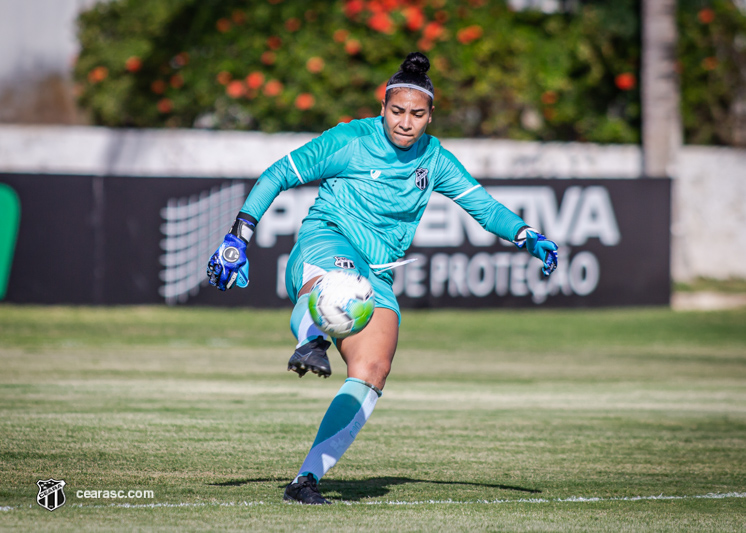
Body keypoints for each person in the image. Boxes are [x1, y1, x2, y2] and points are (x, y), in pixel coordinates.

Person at [206, 52, 558, 505]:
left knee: (373, 370)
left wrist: (527, 235)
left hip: (377, 273)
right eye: (397, 111)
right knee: (339, 284)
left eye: (416, 114)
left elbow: (484, 207)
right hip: (325, 243)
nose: (405, 123)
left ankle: (305, 480)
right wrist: (240, 235)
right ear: (383, 107)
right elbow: (278, 174)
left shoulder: (435, 159)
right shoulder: (349, 139)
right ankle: (311, 339)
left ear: (430, 115)